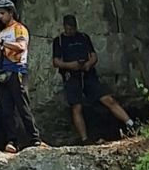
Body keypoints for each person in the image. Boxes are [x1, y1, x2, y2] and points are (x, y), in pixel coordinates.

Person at [52, 14, 138, 143]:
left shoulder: (83, 37)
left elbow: (94, 56)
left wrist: (87, 64)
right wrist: (70, 66)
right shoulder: (58, 41)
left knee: (107, 99)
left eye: (73, 28)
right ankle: (85, 138)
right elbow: (56, 61)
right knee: (77, 106)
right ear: (64, 27)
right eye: (69, 28)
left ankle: (131, 124)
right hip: (71, 77)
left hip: (88, 74)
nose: (71, 31)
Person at [0, 0, 40, 153]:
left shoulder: (19, 29)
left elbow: (21, 47)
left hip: (17, 70)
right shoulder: (0, 32)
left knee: (22, 105)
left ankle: (34, 138)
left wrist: (0, 41)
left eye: (3, 13)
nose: (0, 16)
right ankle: (12, 141)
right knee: (7, 108)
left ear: (10, 12)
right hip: (3, 73)